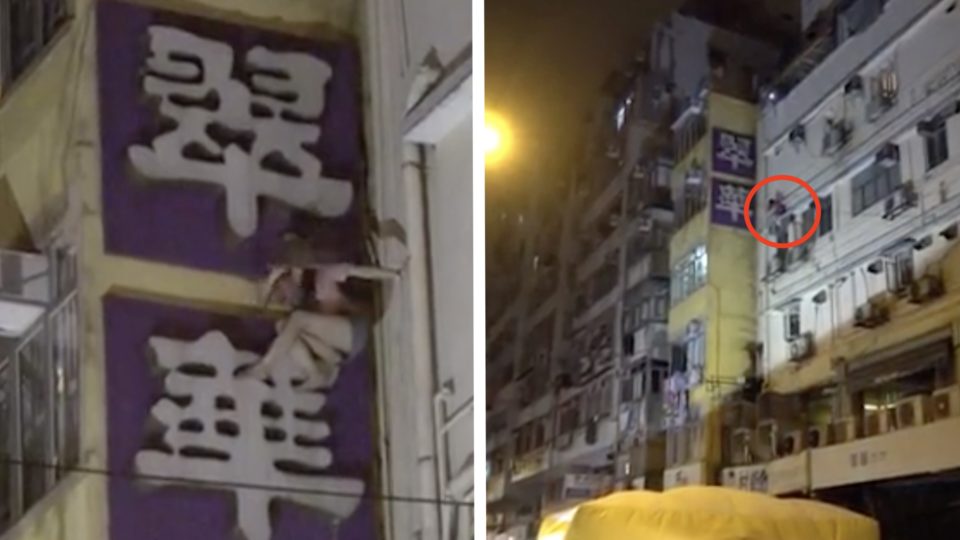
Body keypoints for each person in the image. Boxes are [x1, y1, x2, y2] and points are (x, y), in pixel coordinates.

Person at [241, 229, 405, 386]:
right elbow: (262, 310)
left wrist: (392, 274)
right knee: (282, 325)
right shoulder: (305, 300)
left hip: (356, 329)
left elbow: (359, 271)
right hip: (338, 351)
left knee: (297, 319)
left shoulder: (324, 273)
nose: (286, 298)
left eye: (284, 290)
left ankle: (265, 367)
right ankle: (315, 375)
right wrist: (272, 280)